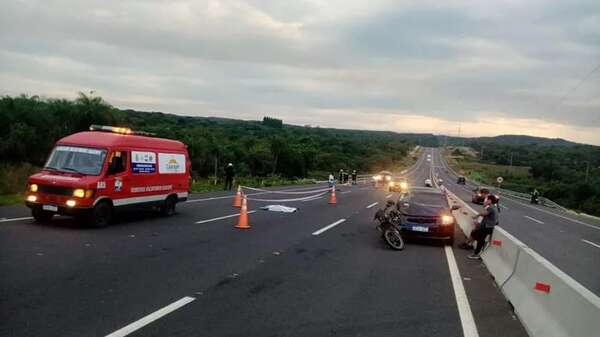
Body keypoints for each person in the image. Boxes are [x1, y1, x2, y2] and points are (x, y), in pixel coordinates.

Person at [468, 194, 499, 259]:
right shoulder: (495, 207)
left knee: (477, 237)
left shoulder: (491, 207)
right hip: (488, 226)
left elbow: (483, 213)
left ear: (490, 200)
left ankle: (476, 254)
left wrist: (484, 206)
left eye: (487, 200)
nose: (486, 201)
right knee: (476, 234)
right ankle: (481, 245)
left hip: (487, 227)